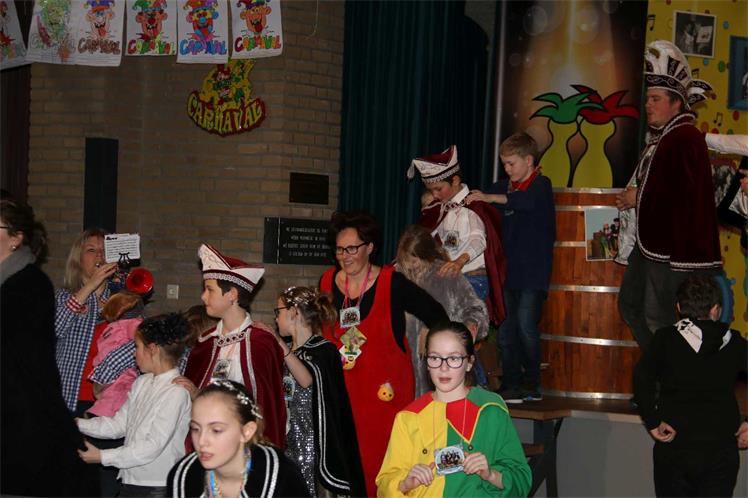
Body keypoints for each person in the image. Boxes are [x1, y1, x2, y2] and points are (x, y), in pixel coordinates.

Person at [319, 210, 449, 496]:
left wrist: (432, 348)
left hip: (385, 397)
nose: (344, 256)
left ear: (370, 247)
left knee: (381, 470)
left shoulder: (393, 283)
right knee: (347, 471)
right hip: (342, 393)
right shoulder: (327, 282)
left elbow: (438, 315)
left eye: (352, 248)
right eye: (340, 249)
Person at [616, 40, 722, 353]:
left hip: (673, 251)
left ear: (677, 103)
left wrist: (637, 197)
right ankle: (659, 367)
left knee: (658, 317)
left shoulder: (685, 137)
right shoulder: (665, 138)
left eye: (656, 99)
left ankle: (668, 373)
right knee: (631, 305)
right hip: (651, 246)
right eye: (648, 98)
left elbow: (685, 193)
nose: (648, 105)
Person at [0, 199, 98, 497]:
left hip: (23, 419)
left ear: (16, 238)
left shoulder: (30, 285)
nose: (99, 257)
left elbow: (31, 360)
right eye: (92, 250)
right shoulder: (46, 290)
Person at [376, 321, 531, 497]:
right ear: (427, 363)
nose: (443, 368)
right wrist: (405, 484)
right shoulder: (409, 417)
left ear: (469, 362)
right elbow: (384, 485)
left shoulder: (491, 409)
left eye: (454, 358)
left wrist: (490, 474)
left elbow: (521, 480)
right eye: (435, 358)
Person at [632, 276, 748, 497]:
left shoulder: (665, 339)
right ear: (716, 309)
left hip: (675, 447)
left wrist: (652, 420)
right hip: (721, 449)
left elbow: (642, 377)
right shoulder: (735, 342)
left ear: (678, 307)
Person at [466, 132, 556, 403]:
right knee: (506, 330)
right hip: (507, 272)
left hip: (533, 273)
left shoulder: (541, 185)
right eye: (504, 164)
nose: (507, 169)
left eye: (511, 163)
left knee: (526, 326)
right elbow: (482, 198)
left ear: (529, 160)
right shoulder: (504, 187)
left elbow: (526, 202)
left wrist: (492, 198)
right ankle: (511, 384)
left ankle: (532, 384)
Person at [179, 243, 287, 448]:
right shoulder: (206, 342)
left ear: (232, 294)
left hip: (246, 445)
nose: (203, 296)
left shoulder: (261, 343)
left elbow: (270, 406)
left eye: (210, 290)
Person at [77, 312, 193, 497]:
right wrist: (75, 424)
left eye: (136, 346)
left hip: (157, 486)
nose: (133, 353)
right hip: (132, 480)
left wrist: (102, 456)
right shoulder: (142, 382)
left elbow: (152, 446)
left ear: (152, 349)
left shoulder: (176, 392)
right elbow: (118, 425)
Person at [273, 286, 366, 497]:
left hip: (316, 449)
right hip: (289, 444)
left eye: (278, 311)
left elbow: (306, 379)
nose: (276, 318)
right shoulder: (286, 352)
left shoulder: (324, 350)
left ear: (294, 312)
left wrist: (280, 346)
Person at [408, 145, 507, 327]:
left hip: (473, 278)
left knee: (452, 326)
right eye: (431, 190)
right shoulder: (442, 210)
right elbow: (425, 239)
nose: (435, 195)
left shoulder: (473, 207)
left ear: (455, 181)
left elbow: (479, 241)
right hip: (453, 279)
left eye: (438, 189)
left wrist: (459, 261)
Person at [168, 380, 310, 498]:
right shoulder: (184, 477)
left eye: (216, 430)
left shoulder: (281, 477)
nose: (201, 441)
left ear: (247, 432)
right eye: (195, 429)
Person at [396, 224, 489, 396]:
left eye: (414, 262)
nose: (410, 268)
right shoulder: (395, 277)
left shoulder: (447, 275)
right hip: (403, 369)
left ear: (427, 256)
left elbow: (476, 311)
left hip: (442, 371)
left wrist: (456, 333)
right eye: (405, 262)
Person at [55, 227, 118, 414]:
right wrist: (90, 285)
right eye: (91, 250)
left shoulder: (120, 301)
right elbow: (55, 329)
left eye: (104, 250)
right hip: (68, 394)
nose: (99, 255)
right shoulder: (63, 296)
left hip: (108, 398)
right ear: (78, 260)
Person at [86, 290, 144, 417]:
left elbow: (140, 339)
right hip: (108, 371)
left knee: (116, 395)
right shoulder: (115, 325)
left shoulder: (132, 323)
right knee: (109, 396)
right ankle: (101, 417)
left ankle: (102, 417)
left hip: (122, 372)